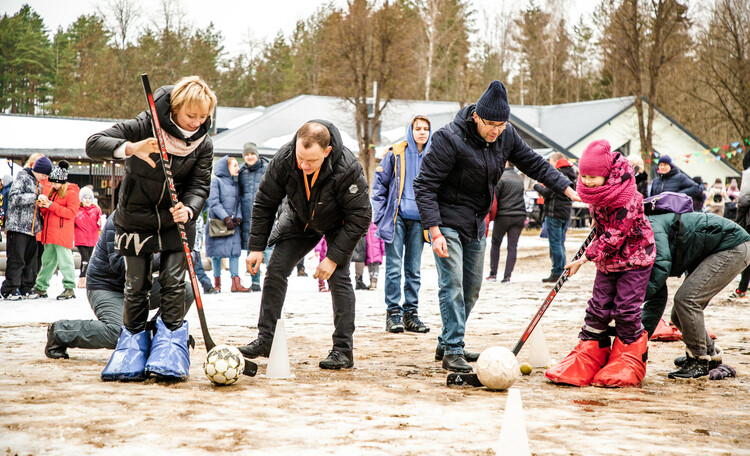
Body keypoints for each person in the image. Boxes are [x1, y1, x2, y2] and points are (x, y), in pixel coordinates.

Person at [413, 80, 579, 373]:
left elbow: (535, 164)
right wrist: (434, 229)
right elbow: (424, 185)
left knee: (472, 289)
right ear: (476, 115)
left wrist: (566, 187)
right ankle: (453, 349)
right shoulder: (448, 138)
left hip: (477, 221)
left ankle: (447, 340)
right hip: (447, 219)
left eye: (501, 124)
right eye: (490, 123)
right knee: (451, 283)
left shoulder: (506, 136)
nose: (495, 130)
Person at [86, 75, 215, 381]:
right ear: (175, 107)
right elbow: (94, 144)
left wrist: (191, 207)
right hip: (136, 218)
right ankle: (131, 346)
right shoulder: (146, 124)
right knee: (136, 285)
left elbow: (200, 185)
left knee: (173, 283)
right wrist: (130, 148)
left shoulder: (204, 143)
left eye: (203, 116)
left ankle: (169, 344)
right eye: (190, 115)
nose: (197, 122)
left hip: (176, 221)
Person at [238, 120, 371, 370]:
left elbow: (361, 217)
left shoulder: (348, 168)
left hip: (338, 224)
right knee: (276, 269)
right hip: (301, 217)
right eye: (300, 157)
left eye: (311, 161)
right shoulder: (285, 158)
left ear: (327, 152)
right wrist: (256, 247)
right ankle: (266, 339)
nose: (303, 165)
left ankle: (343, 350)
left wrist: (332, 258)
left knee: (339, 277)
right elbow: (265, 202)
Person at [546, 140, 655, 388]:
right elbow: (602, 229)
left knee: (626, 309)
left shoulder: (629, 198)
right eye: (583, 176)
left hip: (635, 258)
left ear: (607, 174)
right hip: (608, 261)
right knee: (599, 306)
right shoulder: (596, 193)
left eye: (593, 177)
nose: (587, 182)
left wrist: (582, 259)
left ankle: (628, 354)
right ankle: (592, 351)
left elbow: (614, 236)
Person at [45, 214, 195, 358]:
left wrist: (185, 256)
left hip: (140, 286)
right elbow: (121, 265)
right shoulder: (120, 219)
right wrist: (166, 258)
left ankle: (158, 334)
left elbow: (188, 251)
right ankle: (59, 332)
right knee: (120, 333)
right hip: (106, 287)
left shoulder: (164, 219)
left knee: (185, 291)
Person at [641, 211, 750, 379]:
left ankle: (699, 360)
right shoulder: (638, 240)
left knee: (687, 301)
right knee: (678, 315)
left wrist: (630, 299)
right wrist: (639, 340)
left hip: (733, 246)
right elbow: (657, 296)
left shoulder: (648, 230)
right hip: (718, 247)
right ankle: (710, 354)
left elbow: (659, 274)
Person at [372, 115, 432, 333]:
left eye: (426, 128)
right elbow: (378, 186)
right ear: (411, 130)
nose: (422, 132)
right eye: (418, 128)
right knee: (394, 267)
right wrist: (380, 216)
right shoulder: (396, 153)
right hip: (396, 218)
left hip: (420, 221)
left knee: (414, 269)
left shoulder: (434, 155)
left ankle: (411, 314)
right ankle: (393, 313)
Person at [29, 161, 80, 300]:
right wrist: (43, 206)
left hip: (62, 233)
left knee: (65, 261)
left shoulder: (71, 194)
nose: (52, 185)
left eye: (54, 183)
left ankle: (69, 287)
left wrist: (51, 205)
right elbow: (49, 213)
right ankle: (40, 287)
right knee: (47, 262)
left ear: (61, 181)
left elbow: (71, 213)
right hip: (50, 233)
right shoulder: (54, 193)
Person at [1, 156, 50, 300]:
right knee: (17, 259)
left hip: (32, 229)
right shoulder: (22, 178)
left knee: (30, 260)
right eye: (44, 174)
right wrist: (34, 197)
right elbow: (14, 198)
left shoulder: (38, 185)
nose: (45, 177)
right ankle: (10, 288)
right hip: (18, 226)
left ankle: (26, 287)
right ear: (38, 170)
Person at [205, 156, 249, 293]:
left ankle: (235, 283)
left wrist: (238, 218)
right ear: (226, 168)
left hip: (233, 224)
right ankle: (217, 283)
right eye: (235, 165)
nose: (238, 168)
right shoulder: (216, 182)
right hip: (218, 224)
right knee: (217, 254)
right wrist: (226, 218)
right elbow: (214, 201)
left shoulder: (235, 184)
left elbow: (239, 202)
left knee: (235, 253)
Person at [534, 152, 576, 283]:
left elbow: (548, 193)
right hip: (565, 212)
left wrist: (537, 187)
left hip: (554, 213)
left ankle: (557, 271)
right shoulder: (570, 173)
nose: (550, 165)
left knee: (555, 243)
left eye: (551, 162)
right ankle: (562, 271)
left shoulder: (558, 174)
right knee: (560, 242)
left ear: (556, 161)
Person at [486, 162, 526, 283]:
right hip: (519, 215)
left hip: (503, 215)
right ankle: (507, 276)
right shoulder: (519, 178)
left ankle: (493, 274)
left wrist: (490, 215)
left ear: (506, 162)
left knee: (496, 243)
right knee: (512, 246)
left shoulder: (501, 177)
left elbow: (494, 199)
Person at [238, 142, 270, 291]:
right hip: (247, 217)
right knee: (252, 249)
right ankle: (255, 281)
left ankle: (272, 280)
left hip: (266, 215)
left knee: (269, 248)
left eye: (252, 154)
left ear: (257, 155)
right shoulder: (241, 172)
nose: (250, 157)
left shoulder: (267, 169)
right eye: (247, 154)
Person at [730, 153, 750, 300]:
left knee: (747, 253)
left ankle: (742, 288)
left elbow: (744, 198)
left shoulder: (749, 173)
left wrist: (739, 218)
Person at [74, 186, 102, 289]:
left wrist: (100, 222)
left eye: (89, 198)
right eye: (85, 197)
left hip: (92, 238)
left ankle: (87, 278)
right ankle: (82, 278)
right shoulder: (77, 210)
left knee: (89, 259)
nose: (87, 200)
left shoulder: (96, 210)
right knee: (85, 259)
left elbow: (100, 225)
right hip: (81, 239)